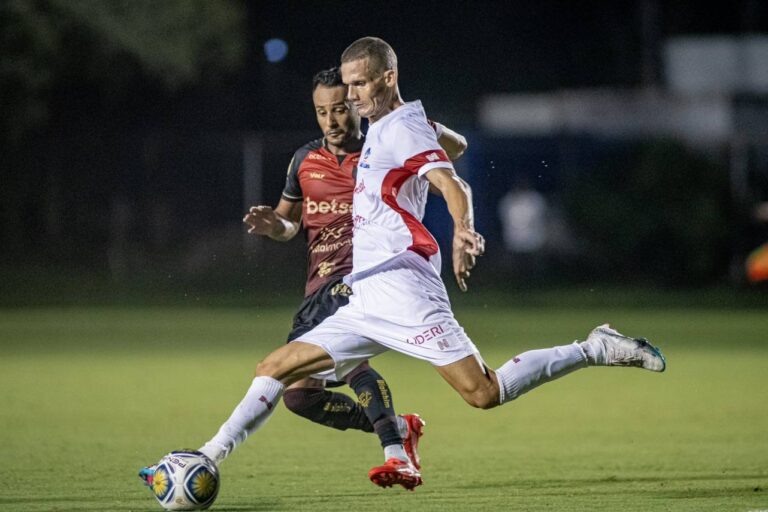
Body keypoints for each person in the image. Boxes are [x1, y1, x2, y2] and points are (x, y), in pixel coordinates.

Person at [146, 36, 666, 494]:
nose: (350, 95)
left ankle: (594, 347)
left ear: (387, 78)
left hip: (405, 287)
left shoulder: (399, 129)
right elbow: (452, 146)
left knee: (483, 393)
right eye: (346, 85)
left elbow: (452, 181)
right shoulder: (388, 125)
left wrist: (463, 227)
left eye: (359, 83)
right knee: (275, 370)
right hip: (363, 294)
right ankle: (208, 456)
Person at [139, 66, 472, 492]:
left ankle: (213, 453)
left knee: (344, 366)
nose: (331, 121)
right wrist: (272, 225)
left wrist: (421, 125)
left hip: (366, 277)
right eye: (321, 112)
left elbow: (455, 149)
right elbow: (289, 224)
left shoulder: (385, 147)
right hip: (318, 284)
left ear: (356, 103)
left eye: (339, 109)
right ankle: (397, 430)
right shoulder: (304, 160)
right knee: (300, 396)